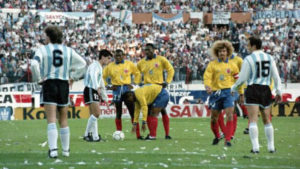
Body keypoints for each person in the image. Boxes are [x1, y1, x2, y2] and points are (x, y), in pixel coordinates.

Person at [30, 25, 87, 158]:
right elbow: (83, 64)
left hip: (49, 83)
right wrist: (73, 77)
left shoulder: (43, 49)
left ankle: (53, 150)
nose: (44, 38)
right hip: (63, 84)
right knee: (64, 119)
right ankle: (66, 151)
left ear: (49, 37)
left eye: (45, 36)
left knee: (51, 119)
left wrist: (38, 79)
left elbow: (34, 64)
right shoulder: (68, 50)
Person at [231, 36, 281, 153]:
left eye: (248, 45)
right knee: (267, 120)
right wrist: (278, 91)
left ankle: (255, 148)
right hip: (265, 89)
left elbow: (243, 78)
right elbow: (276, 76)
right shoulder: (270, 58)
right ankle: (271, 147)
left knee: (253, 120)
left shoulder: (249, 59)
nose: (247, 47)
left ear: (253, 46)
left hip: (253, 88)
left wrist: (234, 87)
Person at [204, 40, 242, 147]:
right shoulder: (212, 65)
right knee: (214, 118)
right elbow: (207, 77)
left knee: (229, 116)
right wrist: (208, 86)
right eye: (220, 51)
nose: (222, 53)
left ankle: (228, 140)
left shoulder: (233, 65)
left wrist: (240, 92)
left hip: (228, 92)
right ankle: (217, 136)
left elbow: (237, 80)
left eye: (224, 51)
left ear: (228, 52)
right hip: (216, 93)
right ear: (217, 53)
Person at [102, 49, 143, 139]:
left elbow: (137, 73)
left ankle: (138, 135)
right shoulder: (110, 66)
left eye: (120, 55)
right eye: (116, 56)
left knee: (132, 111)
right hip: (116, 90)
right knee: (118, 112)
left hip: (126, 89)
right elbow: (102, 77)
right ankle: (119, 133)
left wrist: (134, 83)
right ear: (114, 57)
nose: (118, 57)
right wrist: (108, 86)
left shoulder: (129, 64)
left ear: (123, 56)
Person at [137, 43, 174, 140]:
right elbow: (136, 73)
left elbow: (170, 70)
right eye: (146, 50)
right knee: (152, 111)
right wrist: (138, 82)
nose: (147, 52)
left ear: (154, 50)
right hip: (148, 91)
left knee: (157, 111)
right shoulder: (141, 62)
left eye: (149, 49)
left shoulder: (161, 59)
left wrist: (167, 81)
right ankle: (154, 134)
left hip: (159, 89)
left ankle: (158, 135)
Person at [83, 49, 112, 142]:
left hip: (93, 89)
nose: (109, 60)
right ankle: (86, 134)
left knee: (94, 115)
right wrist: (97, 87)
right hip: (91, 89)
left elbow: (101, 82)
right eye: (108, 58)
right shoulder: (95, 65)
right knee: (97, 113)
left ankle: (95, 137)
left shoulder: (99, 67)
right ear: (102, 57)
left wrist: (105, 98)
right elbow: (93, 75)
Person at [217, 52, 245, 140]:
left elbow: (242, 76)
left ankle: (231, 133)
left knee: (232, 111)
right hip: (220, 88)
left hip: (233, 89)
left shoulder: (239, 60)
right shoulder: (219, 60)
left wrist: (241, 92)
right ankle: (225, 131)